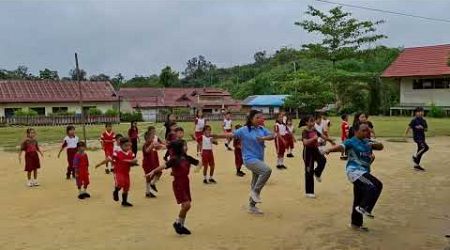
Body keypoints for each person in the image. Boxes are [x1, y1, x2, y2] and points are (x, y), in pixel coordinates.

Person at [325, 123, 384, 232]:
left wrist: (373, 143)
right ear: (356, 131)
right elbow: (341, 147)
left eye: (368, 130)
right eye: (364, 130)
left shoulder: (367, 141)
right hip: (355, 172)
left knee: (359, 198)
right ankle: (364, 208)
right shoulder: (351, 141)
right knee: (373, 186)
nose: (367, 132)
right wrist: (329, 150)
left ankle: (356, 224)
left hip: (364, 171)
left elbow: (381, 147)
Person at [146, 140, 201, 235]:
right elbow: (163, 166)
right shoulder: (174, 159)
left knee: (186, 206)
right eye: (184, 146)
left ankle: (181, 225)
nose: (186, 147)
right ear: (179, 148)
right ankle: (177, 223)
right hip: (178, 183)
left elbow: (198, 163)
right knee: (187, 205)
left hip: (185, 182)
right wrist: (153, 171)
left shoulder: (186, 157)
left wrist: (198, 167)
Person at [233, 110, 274, 214]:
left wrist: (263, 138)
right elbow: (231, 135)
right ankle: (255, 192)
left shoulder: (261, 129)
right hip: (249, 159)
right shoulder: (244, 130)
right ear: (251, 119)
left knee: (255, 181)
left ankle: (252, 206)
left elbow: (272, 135)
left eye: (261, 117)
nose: (260, 119)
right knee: (266, 170)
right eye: (258, 117)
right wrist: (215, 136)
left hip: (259, 159)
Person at [300, 115, 334, 198]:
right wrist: (313, 139)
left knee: (323, 160)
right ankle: (309, 192)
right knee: (309, 171)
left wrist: (330, 140)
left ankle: (317, 173)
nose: (313, 122)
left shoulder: (314, 129)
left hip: (315, 150)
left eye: (313, 121)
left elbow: (321, 136)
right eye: (311, 121)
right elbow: (305, 143)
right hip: (308, 152)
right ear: (306, 123)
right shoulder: (305, 131)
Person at [112, 137, 138, 207]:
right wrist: (130, 161)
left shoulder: (131, 153)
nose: (128, 147)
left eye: (129, 145)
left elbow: (132, 162)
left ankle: (124, 201)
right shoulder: (117, 153)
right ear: (121, 146)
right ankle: (116, 191)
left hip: (126, 172)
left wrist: (134, 162)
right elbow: (115, 160)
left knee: (126, 186)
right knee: (120, 183)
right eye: (125, 145)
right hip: (118, 172)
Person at [142, 127, 165, 198]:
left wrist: (163, 146)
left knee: (159, 172)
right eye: (151, 138)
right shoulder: (145, 144)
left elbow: (159, 146)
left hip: (153, 162)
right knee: (149, 177)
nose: (153, 139)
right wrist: (153, 145)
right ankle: (148, 192)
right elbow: (147, 151)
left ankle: (151, 186)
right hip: (147, 164)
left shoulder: (152, 143)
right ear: (147, 138)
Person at [405, 107, 428, 171]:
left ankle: (417, 165)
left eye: (422, 112)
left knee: (420, 149)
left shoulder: (424, 121)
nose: (421, 113)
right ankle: (415, 156)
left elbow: (426, 129)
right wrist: (405, 135)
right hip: (417, 138)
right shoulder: (414, 120)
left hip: (422, 138)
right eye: (420, 111)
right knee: (425, 147)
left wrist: (422, 127)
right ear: (416, 113)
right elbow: (409, 127)